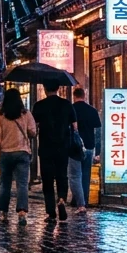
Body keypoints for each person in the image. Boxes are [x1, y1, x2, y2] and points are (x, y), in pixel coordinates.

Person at [32, 82, 77, 223]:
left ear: (45, 89)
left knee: (47, 179)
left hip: (46, 147)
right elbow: (75, 126)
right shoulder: (66, 104)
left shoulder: (39, 105)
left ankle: (51, 212)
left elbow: (34, 128)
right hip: (63, 147)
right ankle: (62, 199)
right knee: (62, 175)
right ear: (58, 88)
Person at [0, 89, 37, 225]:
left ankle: (3, 212)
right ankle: (22, 212)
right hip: (22, 152)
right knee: (22, 184)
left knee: (5, 184)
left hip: (5, 153)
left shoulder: (1, 115)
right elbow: (33, 132)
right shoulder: (25, 114)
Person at [68, 88, 101, 214]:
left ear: (74, 96)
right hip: (89, 146)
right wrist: (98, 150)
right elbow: (98, 130)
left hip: (74, 147)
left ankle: (77, 200)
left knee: (75, 175)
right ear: (84, 95)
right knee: (85, 174)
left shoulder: (71, 109)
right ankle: (84, 200)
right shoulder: (92, 110)